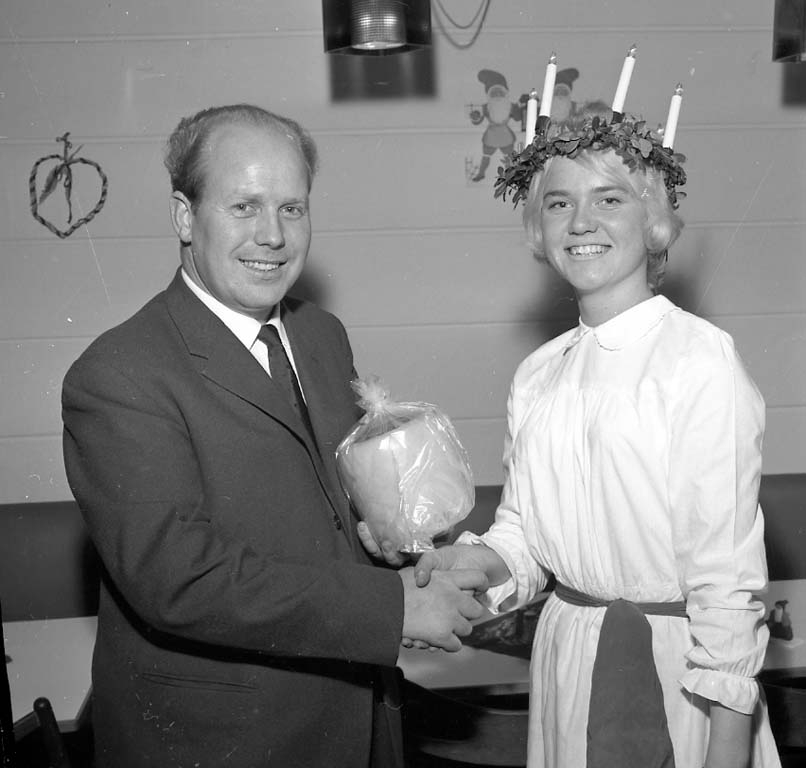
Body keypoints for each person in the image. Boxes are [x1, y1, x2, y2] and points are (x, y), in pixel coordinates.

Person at [61, 103, 488, 768]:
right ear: (183, 216)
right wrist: (392, 609)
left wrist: (390, 542)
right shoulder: (119, 373)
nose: (273, 235)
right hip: (224, 742)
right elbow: (179, 577)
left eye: (292, 208)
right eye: (245, 207)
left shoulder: (321, 334)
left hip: (358, 715)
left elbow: (328, 506)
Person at [361, 109, 782, 767]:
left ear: (653, 219)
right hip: (567, 661)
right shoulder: (539, 373)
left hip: (683, 674)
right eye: (560, 203)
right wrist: (462, 566)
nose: (581, 221)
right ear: (540, 227)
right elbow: (526, 537)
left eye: (609, 199)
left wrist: (727, 749)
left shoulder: (699, 360)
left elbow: (726, 579)